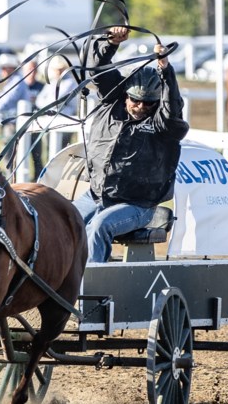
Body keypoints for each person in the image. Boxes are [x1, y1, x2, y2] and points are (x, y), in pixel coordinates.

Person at [73, 26, 189, 263]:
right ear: (126, 95)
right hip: (96, 195)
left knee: (99, 227)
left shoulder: (163, 125)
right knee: (61, 221)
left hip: (137, 205)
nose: (140, 107)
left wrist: (165, 69)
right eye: (135, 100)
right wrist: (111, 43)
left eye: (148, 103)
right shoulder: (110, 103)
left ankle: (90, 291)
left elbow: (172, 107)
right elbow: (99, 71)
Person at [0, 53, 30, 173]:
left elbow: (7, 101)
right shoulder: (13, 81)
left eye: (3, 68)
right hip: (10, 121)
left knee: (8, 152)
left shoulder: (17, 82)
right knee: (9, 152)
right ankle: (11, 175)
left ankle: (11, 176)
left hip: (13, 122)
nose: (2, 71)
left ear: (10, 68)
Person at [36, 55, 80, 152]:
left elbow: (57, 100)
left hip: (65, 119)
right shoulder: (52, 82)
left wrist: (47, 104)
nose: (58, 71)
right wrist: (48, 104)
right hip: (52, 119)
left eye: (60, 69)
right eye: (56, 69)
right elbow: (39, 100)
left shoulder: (70, 83)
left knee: (62, 148)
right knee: (50, 147)